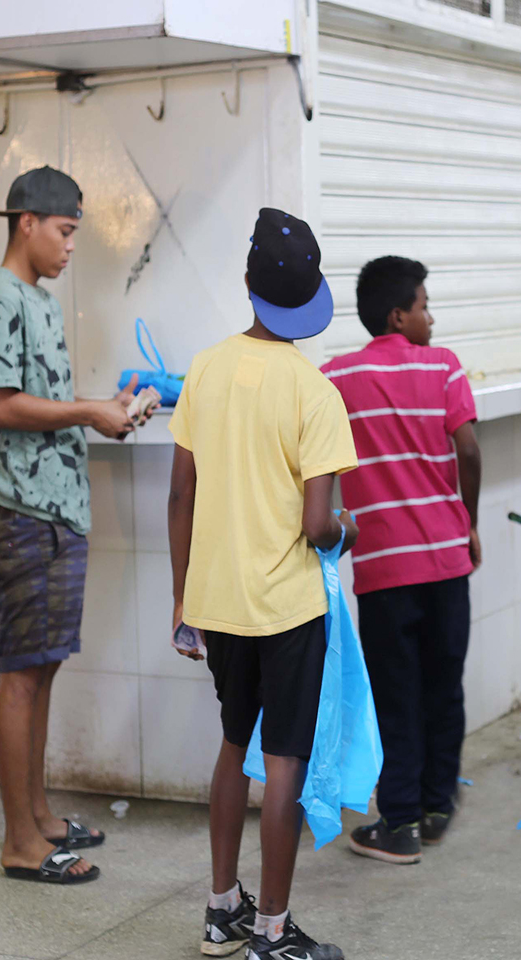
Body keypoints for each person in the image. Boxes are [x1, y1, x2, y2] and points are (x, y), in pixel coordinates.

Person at [167, 208, 359, 960]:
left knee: (231, 743)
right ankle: (273, 934)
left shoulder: (206, 369)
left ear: (248, 287)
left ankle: (221, 913)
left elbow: (181, 494)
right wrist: (349, 531)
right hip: (285, 607)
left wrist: (183, 599)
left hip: (218, 603)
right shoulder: (314, 393)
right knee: (283, 760)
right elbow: (318, 525)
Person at [0, 167, 155, 884]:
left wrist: (106, 407)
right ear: (27, 223)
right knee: (21, 673)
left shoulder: (38, 304)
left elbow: (38, 398)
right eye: (67, 232)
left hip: (60, 509)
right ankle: (21, 841)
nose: (72, 247)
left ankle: (40, 815)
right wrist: (87, 412)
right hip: (21, 514)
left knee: (43, 670)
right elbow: (2, 406)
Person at [320, 256, 482, 865]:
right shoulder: (443, 369)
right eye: (423, 306)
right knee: (446, 684)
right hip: (446, 561)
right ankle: (439, 807)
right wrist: (469, 523)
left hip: (386, 570)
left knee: (397, 694)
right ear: (398, 315)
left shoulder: (336, 377)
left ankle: (402, 823)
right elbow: (468, 448)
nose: (431, 319)